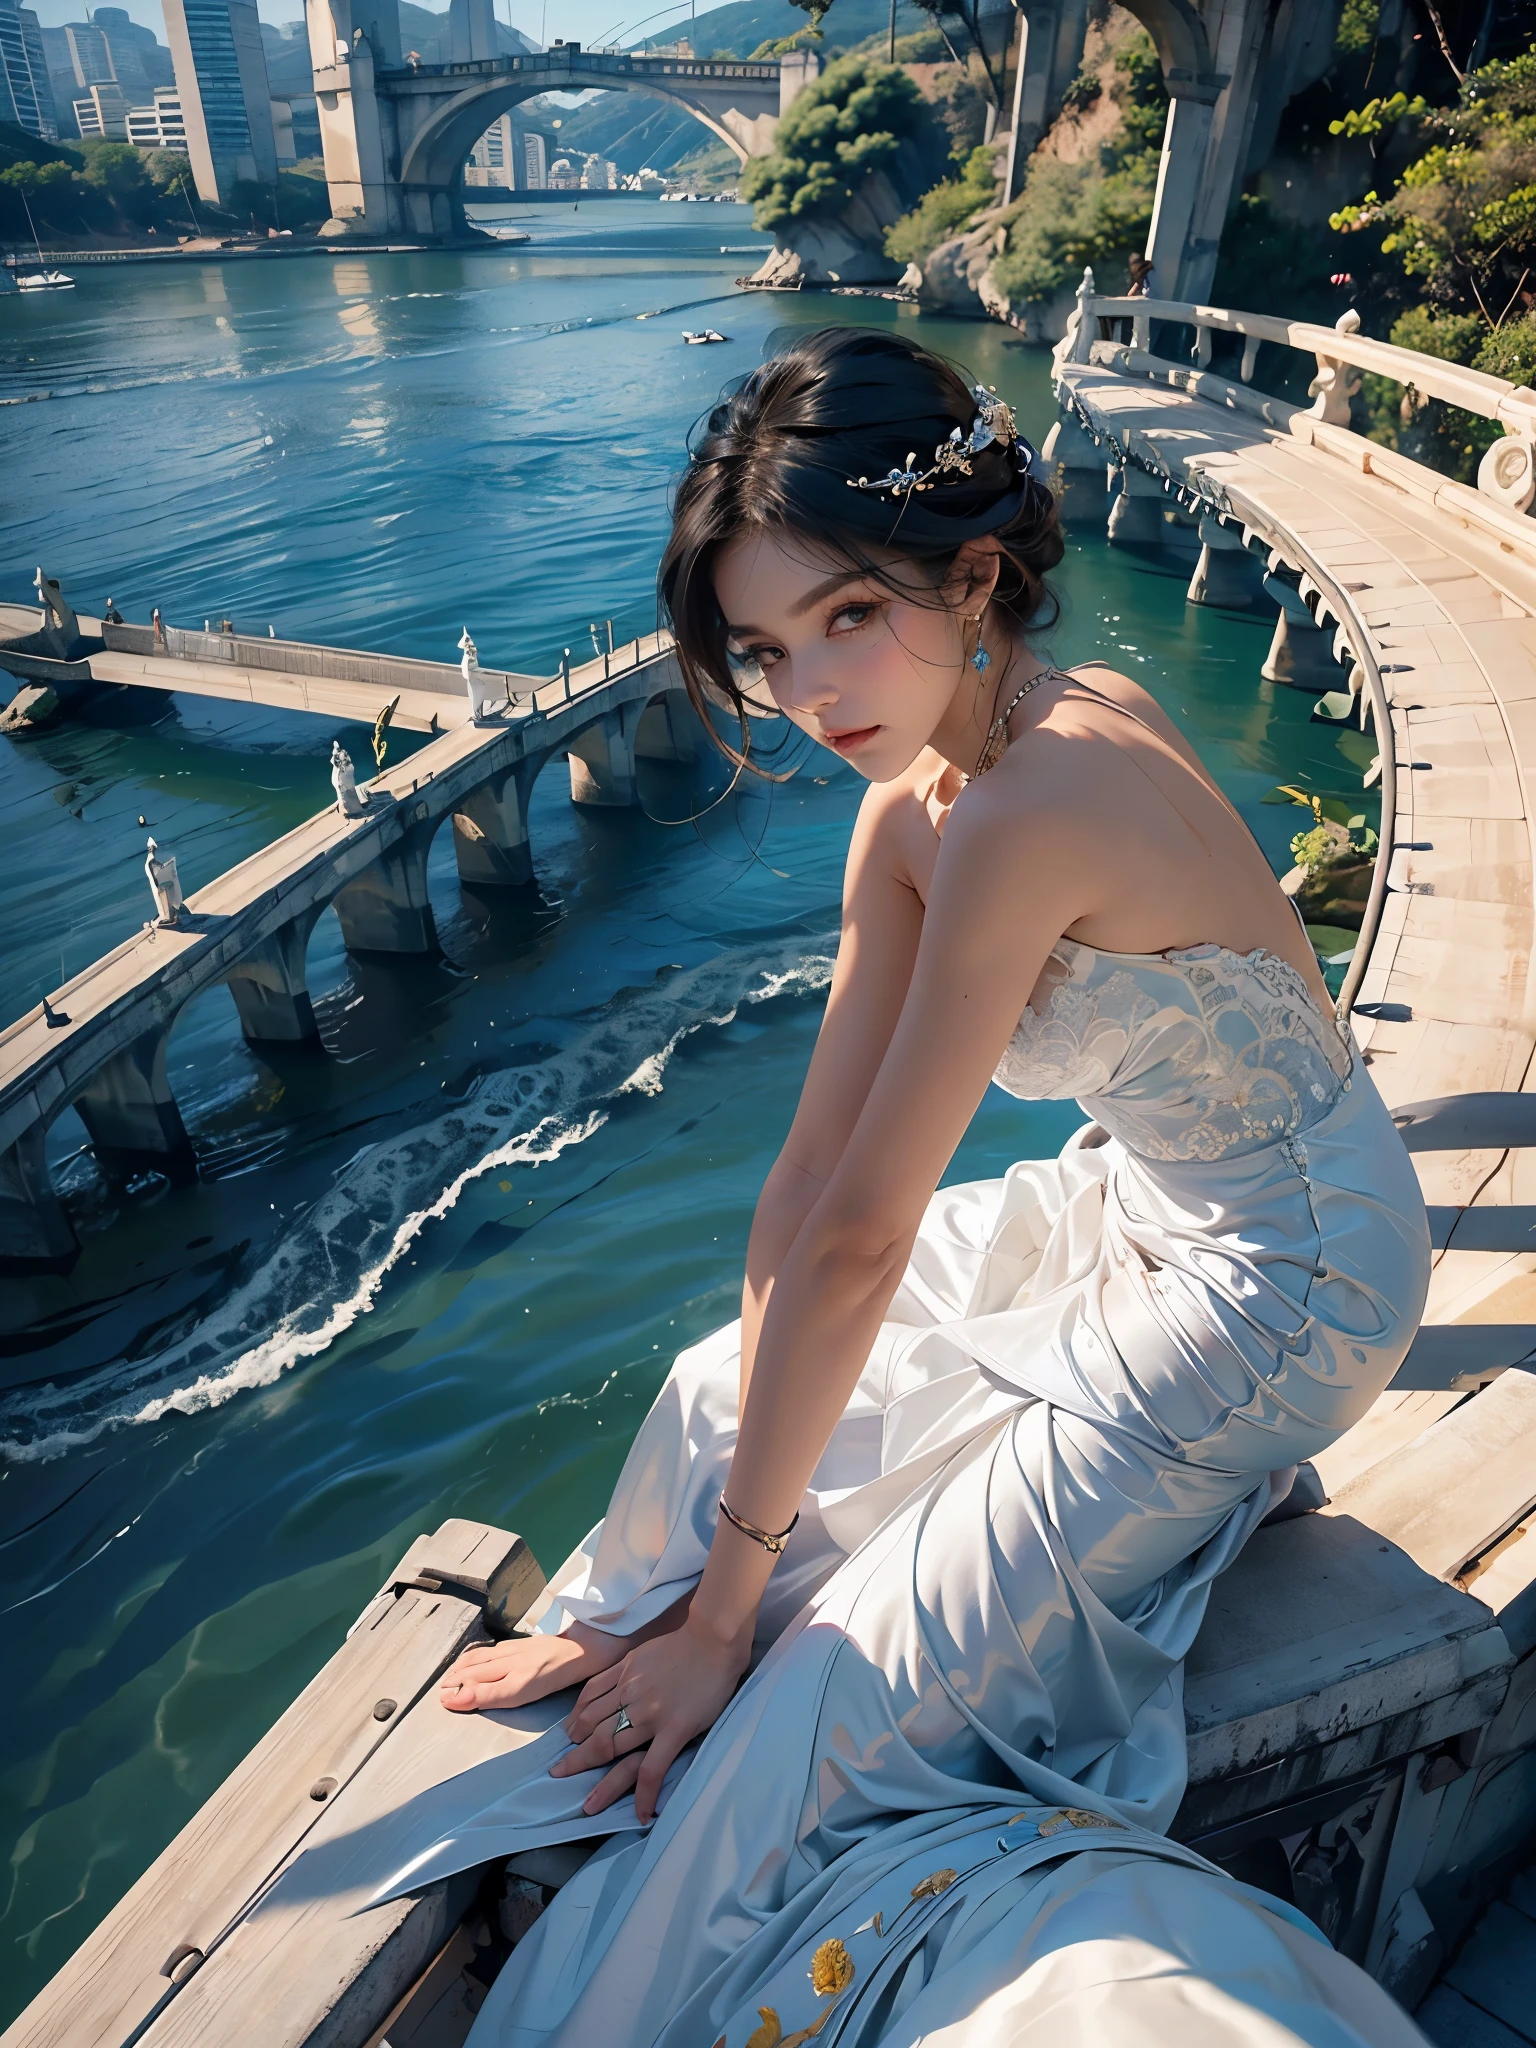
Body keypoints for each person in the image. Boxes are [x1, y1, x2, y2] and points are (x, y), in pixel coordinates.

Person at [360, 329, 1432, 2045]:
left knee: (818, 1693)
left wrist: (726, 1617)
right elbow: (805, 1190)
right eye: (769, 649)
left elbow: (864, 1241)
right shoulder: (926, 798)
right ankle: (637, 1637)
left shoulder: (1038, 798)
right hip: (1144, 1202)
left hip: (1289, 1277)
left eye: (849, 616)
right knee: (722, 1389)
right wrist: (700, 1566)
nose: (813, 689)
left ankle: (701, 1687)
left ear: (977, 569)